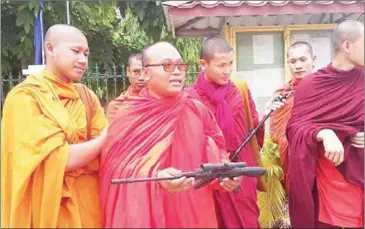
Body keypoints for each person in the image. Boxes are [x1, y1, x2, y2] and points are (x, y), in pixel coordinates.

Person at [99, 41, 244, 228]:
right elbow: (116, 170)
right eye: (167, 66)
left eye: (180, 66)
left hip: (194, 211)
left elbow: (216, 153)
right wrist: (156, 176)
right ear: (145, 73)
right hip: (150, 214)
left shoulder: (197, 110)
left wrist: (225, 176)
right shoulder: (127, 116)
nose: (176, 72)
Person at [1, 24, 108, 228]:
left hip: (90, 210)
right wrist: (104, 139)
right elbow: (60, 159)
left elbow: (108, 154)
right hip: (47, 210)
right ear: (50, 49)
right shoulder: (25, 98)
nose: (83, 60)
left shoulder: (86, 97)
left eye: (86, 53)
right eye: (75, 51)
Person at [187, 36, 284, 228]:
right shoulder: (191, 97)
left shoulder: (240, 89)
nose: (227, 70)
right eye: (221, 65)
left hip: (240, 174)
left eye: (230, 63)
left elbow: (253, 125)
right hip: (210, 177)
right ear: (203, 64)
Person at [286, 20, 364, 228]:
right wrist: (324, 132)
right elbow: (294, 129)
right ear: (347, 46)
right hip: (329, 185)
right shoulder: (311, 85)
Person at [270, 41, 316, 191]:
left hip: (321, 158)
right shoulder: (282, 94)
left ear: (313, 59)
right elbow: (275, 131)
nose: (298, 66)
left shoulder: (326, 89)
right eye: (293, 61)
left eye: (303, 60)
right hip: (293, 159)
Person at [106, 52, 145, 122]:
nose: (141, 77)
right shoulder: (116, 106)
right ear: (128, 71)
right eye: (136, 71)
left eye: (145, 72)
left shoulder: (161, 102)